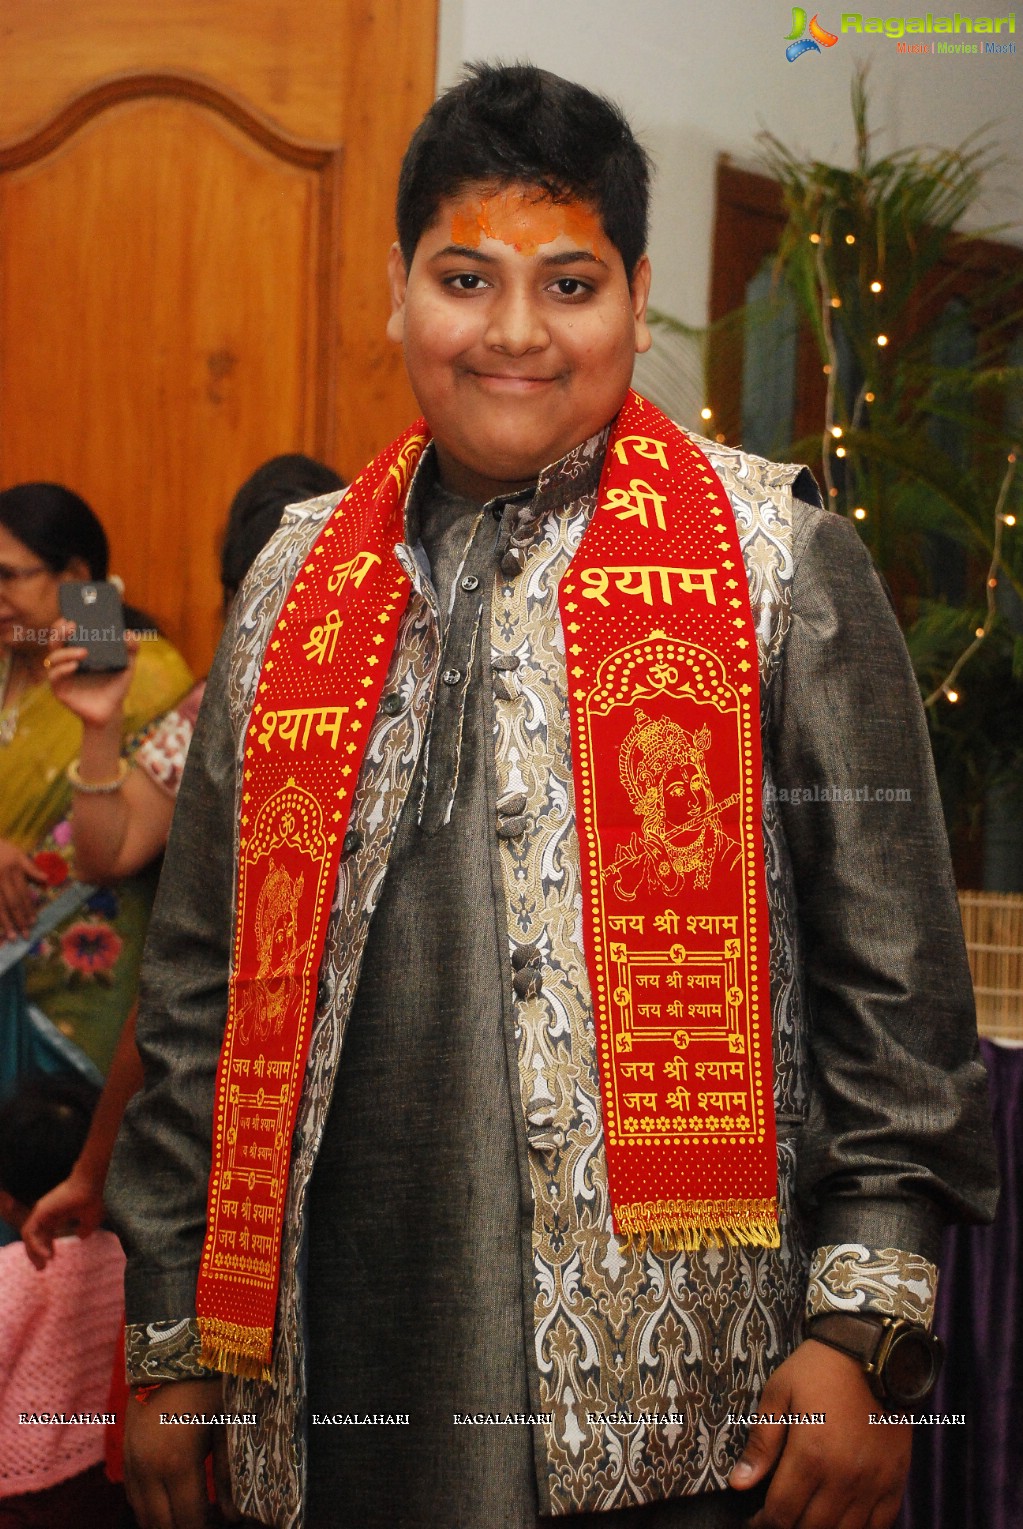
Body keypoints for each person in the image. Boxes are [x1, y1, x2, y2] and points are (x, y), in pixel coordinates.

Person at [107, 64, 997, 1529]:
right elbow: (200, 978)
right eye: (466, 278)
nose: (515, 331)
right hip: (317, 1382)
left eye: (568, 282)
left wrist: (861, 1338)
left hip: (672, 1408)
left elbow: (896, 1002)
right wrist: (162, 1334)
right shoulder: (290, 581)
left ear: (635, 296)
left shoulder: (779, 566)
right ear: (397, 288)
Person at [19, 455, 345, 1268]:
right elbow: (107, 855)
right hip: (217, 1097)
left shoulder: (403, 696)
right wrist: (99, 726)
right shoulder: (215, 706)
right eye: (256, 597)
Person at [0, 483, 192, 1079]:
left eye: (9, 576)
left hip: (73, 990)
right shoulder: (7, 662)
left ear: (77, 575)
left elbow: (118, 844)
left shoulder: (147, 678)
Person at [0, 1075, 130, 1527]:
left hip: (21, 1496)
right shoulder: (127, 1261)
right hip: (109, 1478)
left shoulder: (13, 1271)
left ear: (5, 1199)